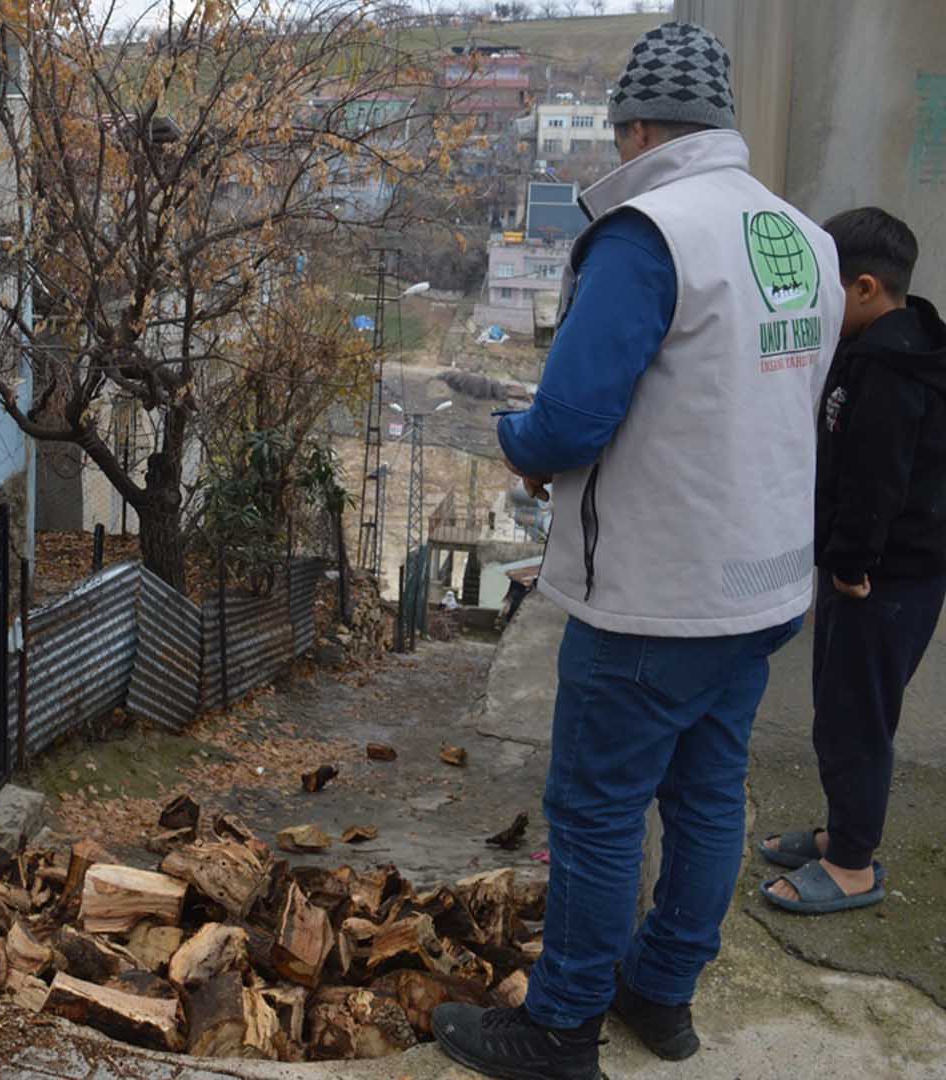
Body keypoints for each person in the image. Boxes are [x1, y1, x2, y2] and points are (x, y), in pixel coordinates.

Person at [432, 23, 843, 1080]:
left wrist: (517, 440)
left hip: (659, 591)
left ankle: (562, 1027)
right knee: (707, 797)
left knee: (598, 811)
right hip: (762, 585)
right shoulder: (803, 238)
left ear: (640, 127)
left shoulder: (647, 234)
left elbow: (569, 422)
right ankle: (662, 993)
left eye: (619, 131)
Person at [760, 208, 945, 914]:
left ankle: (852, 865)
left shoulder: (891, 369)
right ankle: (843, 832)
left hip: (882, 578)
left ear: (866, 288)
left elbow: (876, 479)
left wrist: (849, 565)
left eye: (825, 288)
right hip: (874, 570)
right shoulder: (879, 345)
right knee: (840, 710)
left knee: (855, 720)